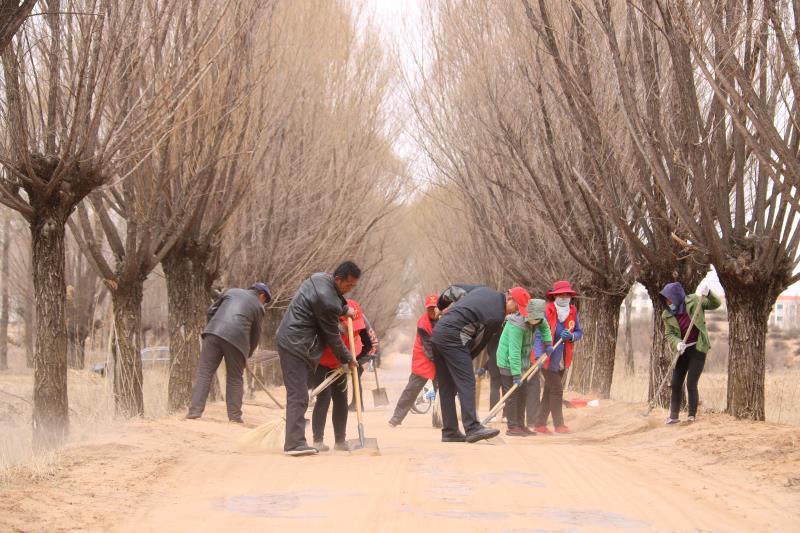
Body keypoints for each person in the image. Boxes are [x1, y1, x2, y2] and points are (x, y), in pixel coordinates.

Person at [276, 261, 361, 457]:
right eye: (348, 286)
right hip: (296, 345)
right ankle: (294, 443)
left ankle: (294, 440)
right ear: (338, 280)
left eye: (353, 287)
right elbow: (332, 336)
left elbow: (332, 300)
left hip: (291, 340)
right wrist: (348, 358)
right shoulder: (328, 301)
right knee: (298, 395)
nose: (349, 290)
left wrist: (343, 308)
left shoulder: (319, 278)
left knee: (298, 394)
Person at [430, 285, 527, 444]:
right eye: (516, 308)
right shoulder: (496, 316)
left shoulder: (483, 290)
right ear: (510, 298)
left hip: (438, 333)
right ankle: (472, 428)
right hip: (454, 337)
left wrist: (440, 306)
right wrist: (466, 363)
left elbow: (452, 290)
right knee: (466, 382)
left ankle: (450, 431)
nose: (514, 312)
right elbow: (479, 342)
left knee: (447, 385)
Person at [186, 282, 271, 423]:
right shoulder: (258, 306)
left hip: (212, 333)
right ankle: (234, 417)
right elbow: (255, 334)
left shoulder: (231, 292)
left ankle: (194, 411)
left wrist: (213, 328)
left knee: (205, 371)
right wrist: (247, 354)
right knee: (235, 377)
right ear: (262, 295)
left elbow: (211, 311)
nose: (264, 303)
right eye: (265, 300)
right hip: (237, 340)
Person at [312, 299, 371, 452]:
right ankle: (318, 440)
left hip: (341, 365)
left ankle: (340, 441)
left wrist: (354, 361)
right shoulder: (327, 324)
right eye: (345, 325)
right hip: (322, 362)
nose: (350, 329)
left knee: (341, 399)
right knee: (323, 398)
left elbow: (369, 346)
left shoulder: (361, 324)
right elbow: (314, 347)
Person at [659, 280, 720, 425]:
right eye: (666, 300)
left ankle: (691, 416)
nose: (668, 303)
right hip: (683, 350)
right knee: (675, 383)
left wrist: (709, 294)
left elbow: (715, 304)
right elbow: (669, 334)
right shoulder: (667, 315)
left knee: (691, 383)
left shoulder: (694, 301)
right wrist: (677, 343)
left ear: (676, 296)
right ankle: (673, 417)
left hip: (697, 348)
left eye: (670, 299)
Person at [496, 296, 554, 436]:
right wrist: (516, 374)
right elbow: (514, 352)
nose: (535, 323)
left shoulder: (539, 319)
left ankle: (521, 425)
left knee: (523, 393)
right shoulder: (517, 326)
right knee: (512, 395)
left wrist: (548, 343)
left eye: (537, 320)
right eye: (532, 320)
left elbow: (545, 328)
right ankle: (512, 427)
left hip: (523, 361)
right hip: (507, 361)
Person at [532, 281, 583, 434]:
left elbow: (579, 332)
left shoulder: (573, 311)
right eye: (561, 295)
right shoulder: (547, 310)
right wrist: (539, 354)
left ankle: (539, 423)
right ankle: (559, 424)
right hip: (548, 357)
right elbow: (539, 334)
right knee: (557, 389)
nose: (564, 297)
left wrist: (572, 336)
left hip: (563, 357)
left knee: (549, 391)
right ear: (555, 296)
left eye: (567, 295)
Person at [389, 293, 440, 427]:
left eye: (435, 308)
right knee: (411, 391)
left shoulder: (445, 319)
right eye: (430, 308)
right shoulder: (423, 324)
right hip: (423, 360)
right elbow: (428, 347)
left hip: (439, 360)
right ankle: (396, 418)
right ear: (426, 309)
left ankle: (439, 421)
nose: (432, 311)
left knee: (442, 393)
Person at [348, 313, 378, 411]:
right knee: (355, 373)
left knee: (356, 371)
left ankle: (358, 404)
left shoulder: (358, 317)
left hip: (370, 348)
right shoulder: (355, 316)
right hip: (365, 347)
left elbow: (372, 343)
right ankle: (356, 403)